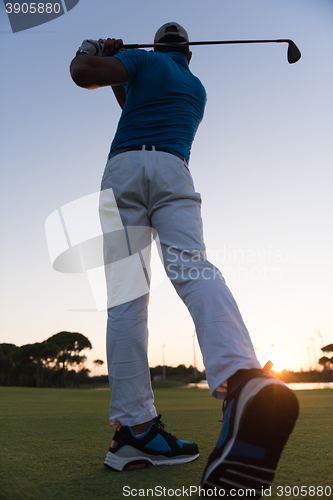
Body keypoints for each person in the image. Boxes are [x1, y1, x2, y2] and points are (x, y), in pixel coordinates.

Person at [70, 22, 299, 494]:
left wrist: (95, 49)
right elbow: (130, 98)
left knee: (126, 299)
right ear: (189, 55)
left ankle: (134, 431)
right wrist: (123, 74)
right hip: (173, 171)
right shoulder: (195, 88)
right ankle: (241, 379)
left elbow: (82, 72)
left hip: (124, 171)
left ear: (155, 48)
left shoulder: (142, 60)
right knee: (194, 270)